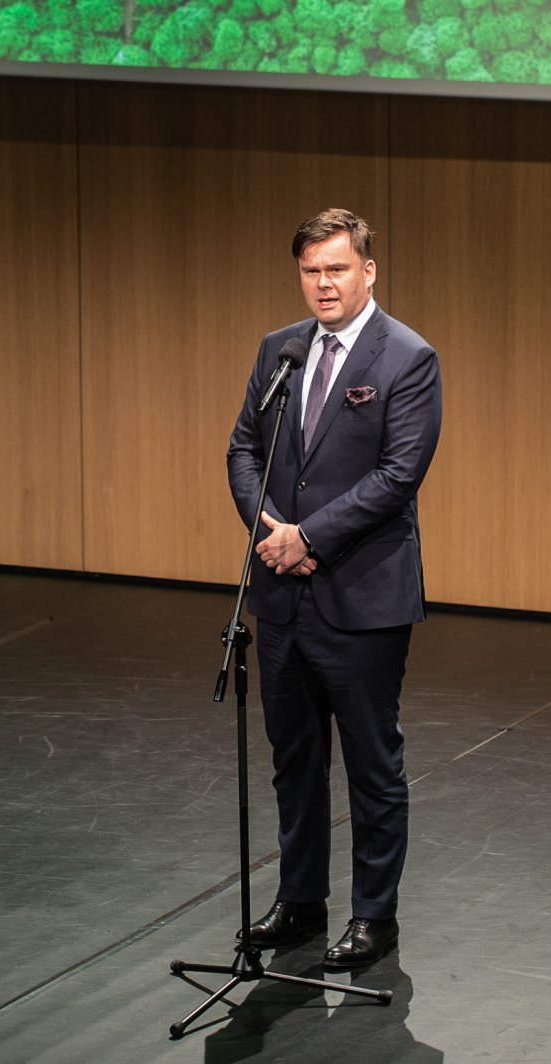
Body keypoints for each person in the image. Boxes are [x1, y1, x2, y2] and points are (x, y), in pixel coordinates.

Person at [226, 209, 441, 969]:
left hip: (362, 597)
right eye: (312, 271)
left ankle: (374, 916)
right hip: (283, 595)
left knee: (371, 761)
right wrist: (270, 528)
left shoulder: (407, 359)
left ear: (368, 271)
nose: (324, 283)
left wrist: (307, 538)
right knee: (295, 757)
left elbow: (396, 477)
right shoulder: (278, 351)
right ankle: (301, 901)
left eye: (337, 269)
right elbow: (244, 447)